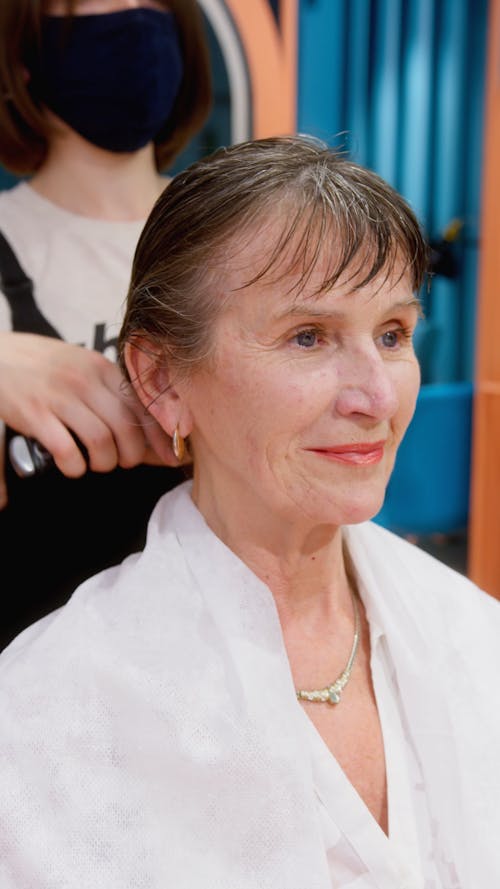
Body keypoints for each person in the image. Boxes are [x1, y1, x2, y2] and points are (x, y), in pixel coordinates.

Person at [2, 135, 500, 888]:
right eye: (309, 336)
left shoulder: (473, 634)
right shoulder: (46, 714)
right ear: (162, 377)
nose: (376, 396)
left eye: (393, 334)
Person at [0, 0, 212, 648]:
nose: (128, 18)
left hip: (220, 677)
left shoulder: (247, 240)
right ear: (25, 55)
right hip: (31, 691)